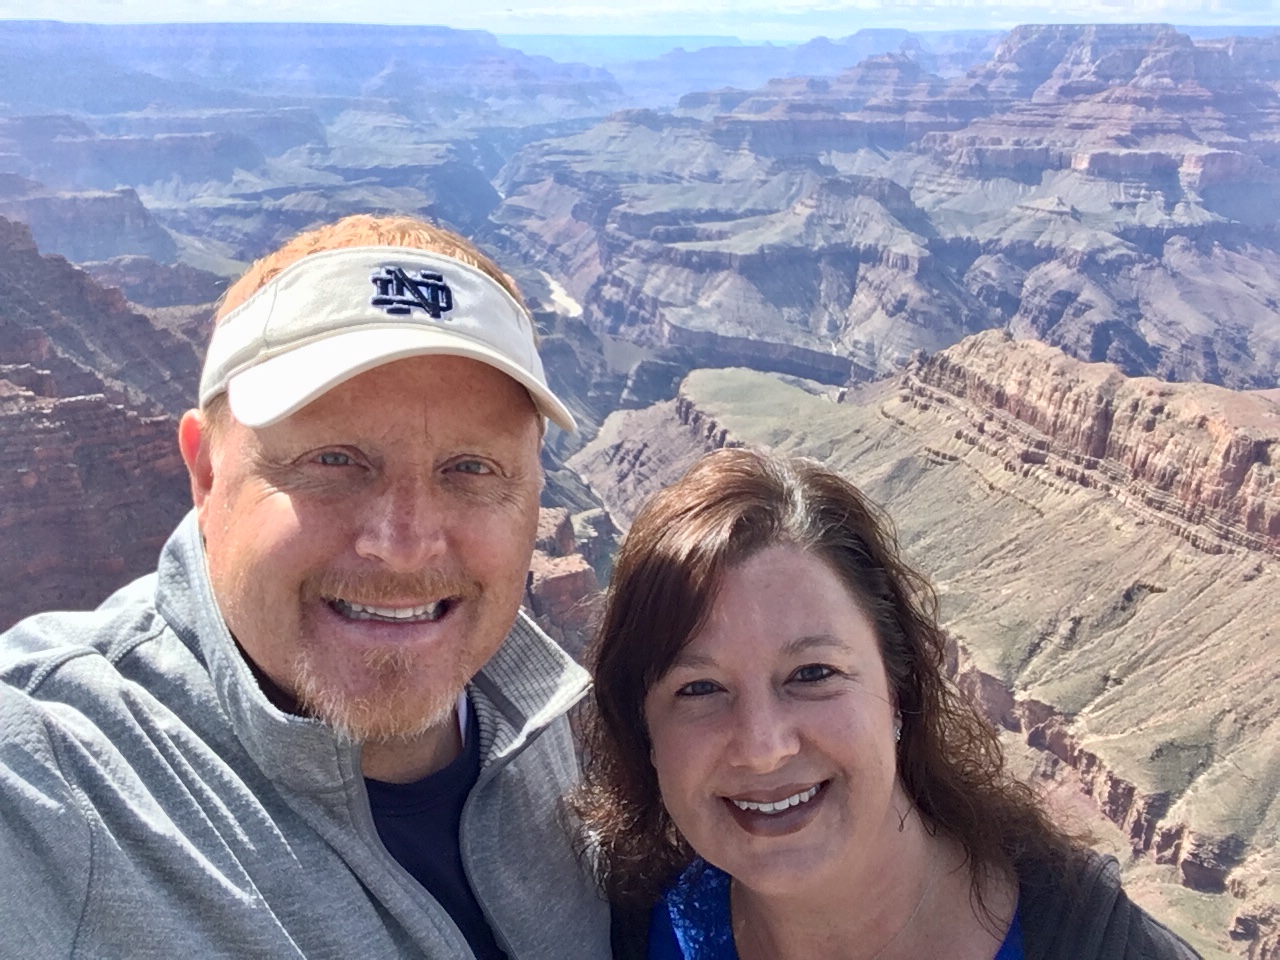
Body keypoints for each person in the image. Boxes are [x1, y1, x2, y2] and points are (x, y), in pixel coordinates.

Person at [0, 214, 611, 959]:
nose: (404, 545)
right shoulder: (60, 781)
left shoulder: (565, 714)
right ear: (204, 471)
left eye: (472, 468)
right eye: (333, 460)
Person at [577, 448, 1200, 960]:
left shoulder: (1098, 944)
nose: (764, 748)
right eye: (699, 688)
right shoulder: (624, 929)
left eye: (812, 673)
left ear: (898, 690)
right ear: (645, 732)